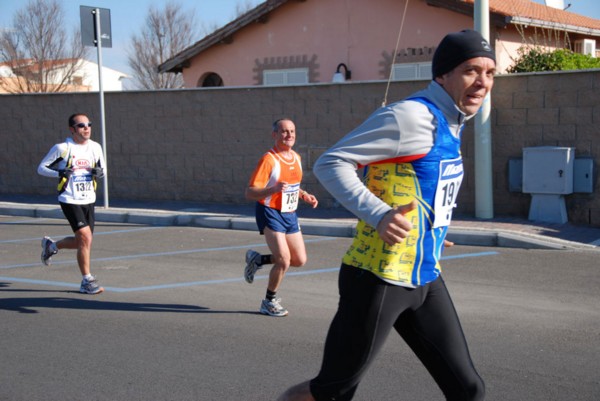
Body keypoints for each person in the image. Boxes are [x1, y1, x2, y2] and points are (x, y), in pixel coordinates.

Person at [278, 29, 495, 400]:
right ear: (442, 74)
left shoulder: (453, 121)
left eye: (490, 73)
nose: (483, 82)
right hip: (377, 278)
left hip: (424, 278)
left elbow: (420, 185)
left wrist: (433, 228)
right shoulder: (410, 117)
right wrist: (379, 214)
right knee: (331, 391)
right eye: (471, 70)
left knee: (469, 390)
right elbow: (333, 162)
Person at [244, 118, 318, 317]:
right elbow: (250, 192)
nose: (289, 135)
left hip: (289, 213)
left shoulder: (296, 158)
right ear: (274, 134)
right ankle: (269, 302)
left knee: (299, 260)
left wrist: (304, 195)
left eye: (292, 131)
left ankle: (258, 259)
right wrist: (272, 190)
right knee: (284, 260)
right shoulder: (269, 159)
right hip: (270, 212)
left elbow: (292, 185)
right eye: (284, 131)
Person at [37, 113, 106, 295]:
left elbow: (103, 170)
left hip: (88, 198)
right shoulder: (62, 148)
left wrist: (99, 172)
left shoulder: (95, 147)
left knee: (82, 242)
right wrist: (59, 173)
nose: (86, 128)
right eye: (81, 125)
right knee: (85, 238)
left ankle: (52, 247)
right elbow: (41, 168)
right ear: (72, 129)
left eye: (89, 124)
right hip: (69, 198)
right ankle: (87, 280)